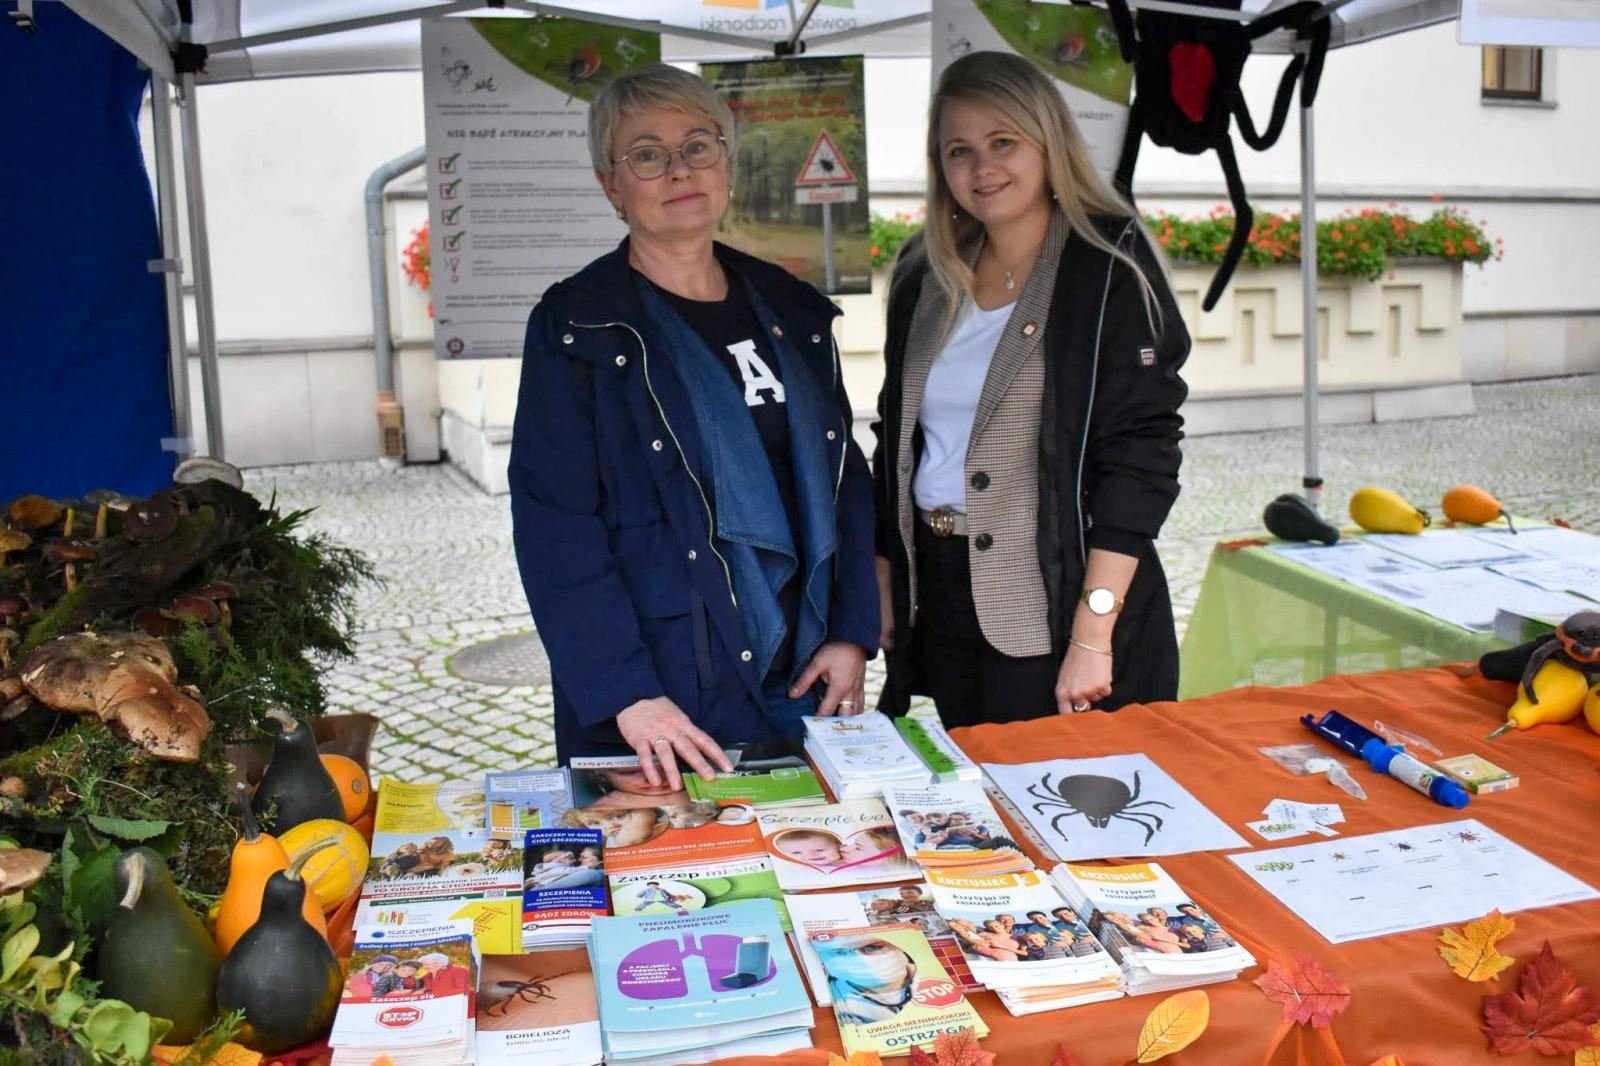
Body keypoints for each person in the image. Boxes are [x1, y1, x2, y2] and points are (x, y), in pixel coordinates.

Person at [511, 62, 878, 777]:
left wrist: (851, 633)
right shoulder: (576, 325)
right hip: (660, 693)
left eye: (699, 145)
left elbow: (844, 479)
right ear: (611, 187)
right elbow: (555, 521)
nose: (679, 168)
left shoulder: (793, 309)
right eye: (647, 154)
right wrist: (627, 692)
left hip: (803, 671)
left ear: (727, 166)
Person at [872, 51, 1190, 725]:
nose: (982, 168)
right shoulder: (925, 273)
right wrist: (883, 579)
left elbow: (1141, 458)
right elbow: (895, 437)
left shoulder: (1107, 268)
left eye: (1003, 142)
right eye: (959, 150)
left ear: (1048, 141)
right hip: (944, 594)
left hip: (1056, 602)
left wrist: (1093, 633)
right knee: (973, 811)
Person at [815, 934, 919, 1025]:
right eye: (840, 952)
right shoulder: (834, 998)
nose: (863, 960)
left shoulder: (925, 975)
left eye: (872, 947)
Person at [772, 829, 846, 871]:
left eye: (819, 850)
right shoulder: (795, 869)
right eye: (796, 852)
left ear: (841, 846)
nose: (810, 856)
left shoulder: (853, 860)